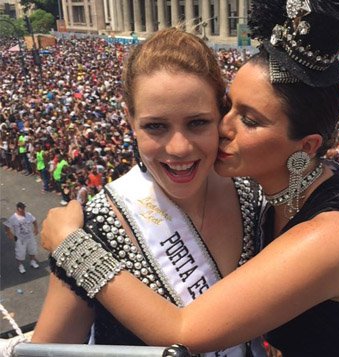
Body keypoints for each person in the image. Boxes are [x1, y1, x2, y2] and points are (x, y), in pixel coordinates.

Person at [41, 0, 339, 355]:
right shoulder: (280, 194)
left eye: (248, 120)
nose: (223, 128)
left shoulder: (322, 231)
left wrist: (70, 245)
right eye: (228, 107)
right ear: (129, 121)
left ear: (307, 145)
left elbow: (182, 332)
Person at [31, 29, 266, 357]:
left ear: (221, 114)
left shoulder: (257, 198)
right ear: (130, 118)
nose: (179, 147)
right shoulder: (93, 228)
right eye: (156, 126)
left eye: (198, 123)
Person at [3, 202, 39, 274]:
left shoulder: (28, 215)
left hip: (30, 237)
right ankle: (20, 266)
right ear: (18, 209)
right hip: (20, 240)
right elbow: (7, 226)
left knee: (32, 250)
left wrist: (36, 228)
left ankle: (32, 261)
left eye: (24, 208)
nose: (23, 209)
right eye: (22, 208)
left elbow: (34, 221)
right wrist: (10, 234)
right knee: (20, 253)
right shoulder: (13, 218)